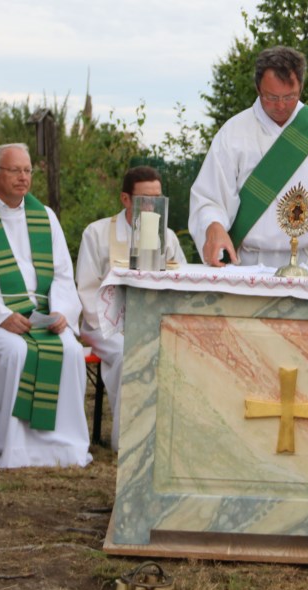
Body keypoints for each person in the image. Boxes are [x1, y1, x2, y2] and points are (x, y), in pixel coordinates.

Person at [0, 143, 92, 469]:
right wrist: (0, 317)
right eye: (15, 171)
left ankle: (65, 447)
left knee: (69, 350)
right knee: (18, 352)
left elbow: (64, 274)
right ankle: (13, 445)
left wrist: (62, 312)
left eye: (27, 171)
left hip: (39, 316)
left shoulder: (45, 217)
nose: (23, 178)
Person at [189, 45, 308, 269]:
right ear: (258, 88)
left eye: (289, 97)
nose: (280, 106)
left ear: (301, 87)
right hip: (245, 265)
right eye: (271, 97)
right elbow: (210, 197)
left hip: (306, 267)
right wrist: (213, 226)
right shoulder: (234, 133)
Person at [75, 166, 187, 451]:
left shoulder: (169, 237)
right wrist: (118, 324)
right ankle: (129, 442)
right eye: (145, 200)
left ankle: (168, 440)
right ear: (125, 199)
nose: (152, 207)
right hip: (106, 324)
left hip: (154, 320)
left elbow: (181, 280)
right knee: (130, 354)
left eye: (158, 199)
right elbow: (87, 287)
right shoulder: (97, 233)